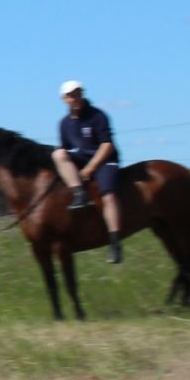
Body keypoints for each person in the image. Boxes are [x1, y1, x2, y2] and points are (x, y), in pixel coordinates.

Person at [53, 80, 124, 263]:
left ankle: (115, 243)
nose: (75, 98)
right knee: (58, 154)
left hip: (104, 160)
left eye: (77, 94)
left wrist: (90, 169)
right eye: (71, 95)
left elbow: (107, 145)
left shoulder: (97, 116)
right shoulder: (64, 123)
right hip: (82, 159)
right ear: (64, 99)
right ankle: (79, 194)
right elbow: (66, 149)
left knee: (108, 195)